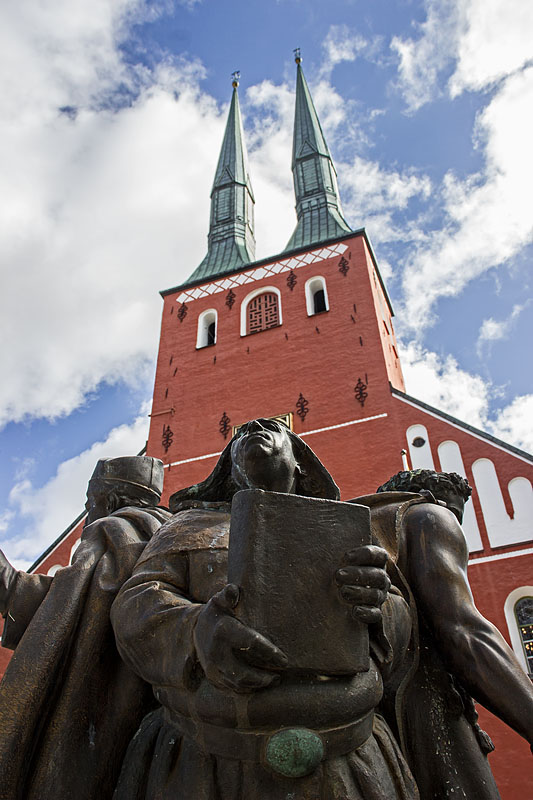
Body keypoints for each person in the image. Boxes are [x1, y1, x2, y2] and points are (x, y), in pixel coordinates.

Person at [111, 419, 418, 800]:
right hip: (208, 766)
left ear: (299, 464)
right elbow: (138, 601)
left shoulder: (346, 530)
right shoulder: (186, 527)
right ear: (230, 470)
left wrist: (380, 606)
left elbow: (400, 623)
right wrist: (194, 631)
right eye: (240, 435)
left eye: (273, 427)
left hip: (352, 763)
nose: (253, 426)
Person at [348, 469, 533, 799]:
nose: (456, 527)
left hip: (355, 721)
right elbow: (464, 631)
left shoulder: (356, 524)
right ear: (431, 499)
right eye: (456, 515)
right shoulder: (427, 516)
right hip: (422, 710)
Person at [0, 455, 171, 800]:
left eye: (89, 503)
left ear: (106, 500)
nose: (87, 513)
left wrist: (8, 583)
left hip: (101, 717)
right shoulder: (172, 531)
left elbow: (73, 604)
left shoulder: (114, 530)